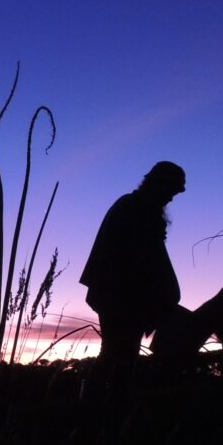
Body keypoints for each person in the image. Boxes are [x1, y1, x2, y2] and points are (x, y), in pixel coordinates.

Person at [80, 161, 186, 404]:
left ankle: (104, 410)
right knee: (117, 355)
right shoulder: (133, 209)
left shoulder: (138, 209)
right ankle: (97, 414)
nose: (171, 197)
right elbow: (133, 259)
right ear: (158, 184)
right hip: (120, 298)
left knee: (120, 355)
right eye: (171, 190)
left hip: (126, 297)